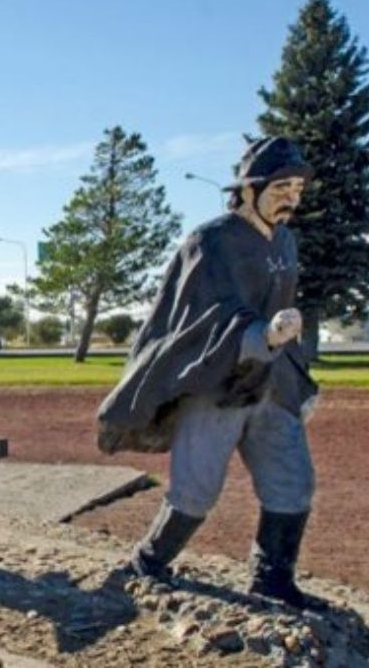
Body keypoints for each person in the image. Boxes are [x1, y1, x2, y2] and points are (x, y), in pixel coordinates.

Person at [97, 137, 325, 611]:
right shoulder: (210, 241)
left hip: (271, 383)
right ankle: (148, 563)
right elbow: (198, 317)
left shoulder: (286, 241)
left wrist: (295, 370)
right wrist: (260, 333)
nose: (292, 197)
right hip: (214, 381)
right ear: (247, 189)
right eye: (282, 186)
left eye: (298, 189)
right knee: (196, 488)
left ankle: (271, 578)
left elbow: (281, 314)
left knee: (293, 479)